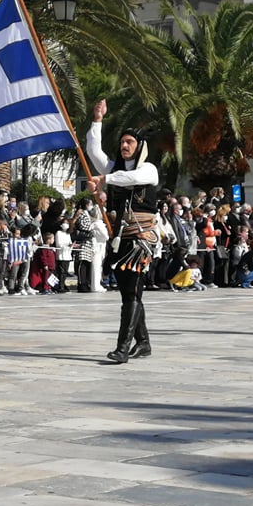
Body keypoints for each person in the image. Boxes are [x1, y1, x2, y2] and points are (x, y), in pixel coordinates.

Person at [87, 99, 160, 364]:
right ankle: (144, 343)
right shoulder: (114, 170)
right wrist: (97, 120)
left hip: (141, 241)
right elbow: (93, 151)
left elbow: (132, 179)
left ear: (139, 146)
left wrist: (104, 179)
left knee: (131, 293)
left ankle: (122, 348)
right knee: (129, 293)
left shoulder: (148, 169)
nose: (124, 146)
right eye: (122, 142)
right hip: (119, 239)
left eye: (129, 142)